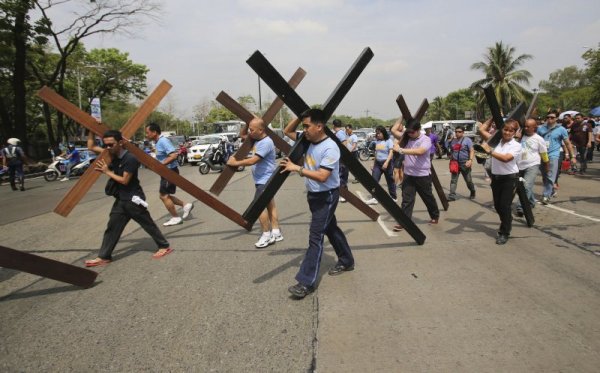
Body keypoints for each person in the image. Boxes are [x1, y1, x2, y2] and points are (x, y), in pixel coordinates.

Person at [281, 109, 355, 299]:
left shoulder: (330, 147)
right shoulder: (308, 139)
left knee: (316, 236)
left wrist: (296, 168)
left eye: (307, 126)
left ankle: (306, 282)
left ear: (319, 126)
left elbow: (323, 176)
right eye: (303, 126)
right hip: (314, 195)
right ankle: (347, 260)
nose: (304, 130)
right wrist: (300, 115)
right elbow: (286, 130)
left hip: (327, 196)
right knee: (331, 229)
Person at [83, 130, 173, 267]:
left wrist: (107, 172)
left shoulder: (130, 158)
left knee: (147, 224)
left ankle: (164, 246)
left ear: (120, 143)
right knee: (112, 227)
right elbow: (91, 146)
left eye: (110, 144)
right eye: (105, 145)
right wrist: (90, 130)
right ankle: (104, 256)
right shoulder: (112, 154)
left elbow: (125, 180)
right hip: (121, 199)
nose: (107, 147)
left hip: (133, 199)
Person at [227, 118, 283, 248]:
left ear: (261, 130)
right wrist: (247, 123)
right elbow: (242, 135)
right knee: (270, 206)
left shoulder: (266, 142)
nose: (250, 132)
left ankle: (266, 235)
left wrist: (235, 163)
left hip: (265, 180)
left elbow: (253, 160)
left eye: (252, 129)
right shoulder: (257, 139)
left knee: (258, 208)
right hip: (263, 179)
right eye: (250, 129)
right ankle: (276, 232)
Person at [479, 119, 522, 245]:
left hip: (510, 178)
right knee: (498, 206)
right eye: (505, 129)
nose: (507, 132)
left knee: (504, 205)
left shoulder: (516, 145)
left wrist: (490, 151)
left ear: (515, 132)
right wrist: (493, 117)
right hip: (496, 178)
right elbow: (482, 130)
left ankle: (504, 232)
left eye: (511, 130)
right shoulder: (496, 140)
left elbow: (506, 158)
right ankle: (507, 219)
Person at [393, 121, 440, 232]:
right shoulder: (407, 136)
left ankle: (434, 215)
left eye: (412, 132)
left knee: (427, 197)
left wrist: (400, 150)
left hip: (422, 175)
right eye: (408, 132)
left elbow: (420, 151)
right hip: (409, 174)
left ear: (418, 130)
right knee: (407, 199)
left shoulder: (426, 139)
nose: (410, 134)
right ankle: (404, 222)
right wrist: (402, 118)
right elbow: (393, 130)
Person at [145, 123, 194, 226]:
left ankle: (176, 217)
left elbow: (173, 155)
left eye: (148, 133)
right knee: (164, 195)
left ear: (154, 132)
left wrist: (160, 165)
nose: (146, 135)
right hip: (166, 172)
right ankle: (185, 205)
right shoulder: (158, 142)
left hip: (169, 172)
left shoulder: (163, 141)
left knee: (163, 196)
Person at [537, 110, 576, 205]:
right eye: (548, 117)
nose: (549, 119)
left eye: (552, 117)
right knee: (545, 175)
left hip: (554, 155)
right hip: (542, 155)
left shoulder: (561, 129)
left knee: (551, 175)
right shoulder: (540, 129)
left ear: (557, 118)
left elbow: (567, 143)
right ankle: (551, 190)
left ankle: (546, 195)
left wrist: (572, 156)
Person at [515, 119, 549, 216]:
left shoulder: (539, 139)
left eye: (528, 127)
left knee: (526, 186)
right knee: (522, 186)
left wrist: (546, 167)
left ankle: (520, 207)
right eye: (524, 126)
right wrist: (516, 138)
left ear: (534, 128)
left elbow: (544, 154)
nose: (525, 128)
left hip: (532, 165)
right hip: (519, 165)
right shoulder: (520, 137)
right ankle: (531, 202)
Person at [365, 126, 397, 205]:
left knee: (390, 181)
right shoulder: (377, 141)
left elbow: (391, 153)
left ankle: (393, 197)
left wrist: (386, 162)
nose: (378, 135)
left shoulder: (389, 141)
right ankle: (374, 198)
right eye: (377, 133)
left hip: (387, 163)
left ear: (383, 133)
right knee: (374, 180)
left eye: (379, 133)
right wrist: (373, 163)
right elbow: (376, 153)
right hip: (378, 164)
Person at [447, 126, 476, 201]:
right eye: (456, 131)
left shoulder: (467, 140)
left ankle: (472, 191)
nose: (457, 133)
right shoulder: (453, 140)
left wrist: (470, 160)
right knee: (453, 180)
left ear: (463, 132)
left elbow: (472, 150)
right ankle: (452, 195)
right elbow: (451, 150)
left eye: (459, 132)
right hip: (455, 163)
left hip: (464, 163)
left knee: (468, 180)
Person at [332, 119, 349, 202]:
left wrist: (342, 155)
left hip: (342, 158)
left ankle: (344, 195)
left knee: (342, 176)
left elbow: (344, 143)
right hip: (340, 158)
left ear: (333, 126)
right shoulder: (340, 133)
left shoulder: (339, 133)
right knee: (340, 176)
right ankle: (343, 194)